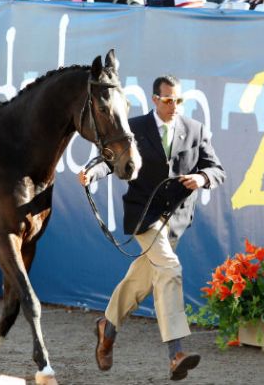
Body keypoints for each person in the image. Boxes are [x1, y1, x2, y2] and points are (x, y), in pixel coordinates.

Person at [80, 75, 226, 382]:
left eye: (179, 100)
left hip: (177, 221)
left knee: (141, 278)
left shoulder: (196, 130)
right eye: (169, 100)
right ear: (155, 100)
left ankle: (107, 326)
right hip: (145, 216)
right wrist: (93, 173)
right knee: (170, 269)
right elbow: (110, 160)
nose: (175, 106)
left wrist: (202, 178)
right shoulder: (134, 128)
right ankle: (176, 353)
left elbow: (216, 169)